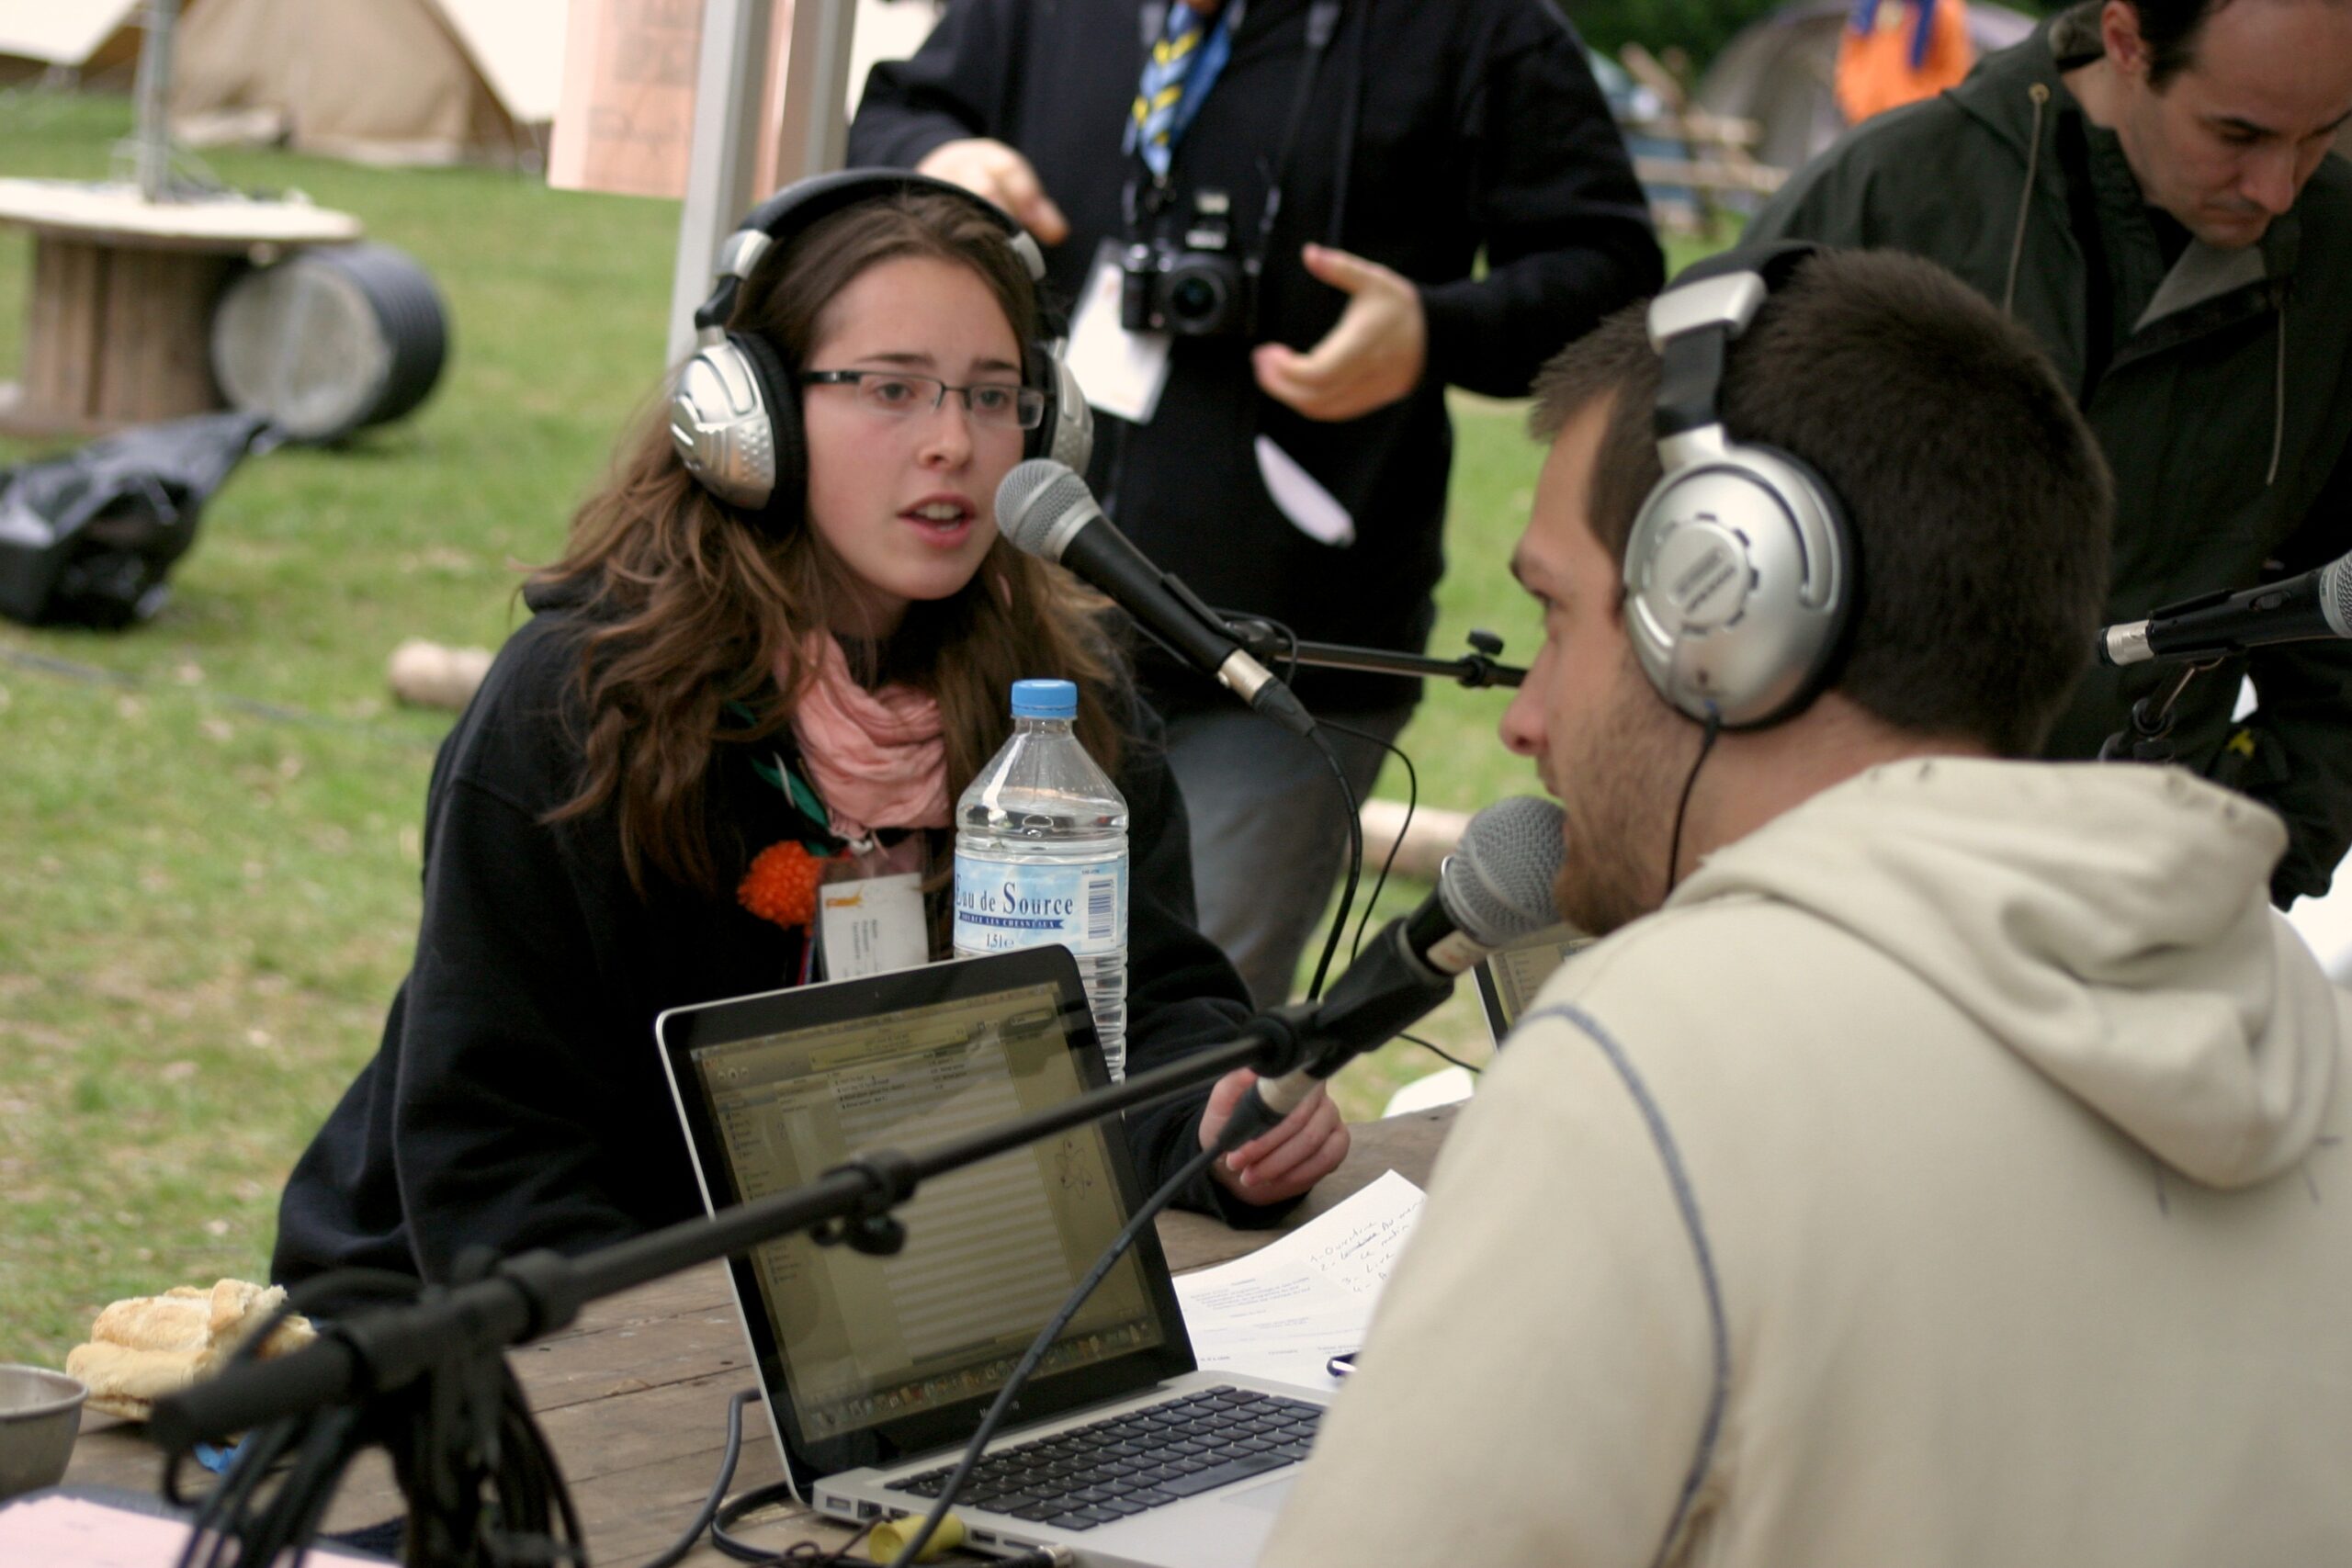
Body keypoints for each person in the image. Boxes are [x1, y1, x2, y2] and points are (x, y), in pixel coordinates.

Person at [1260, 247, 2352, 1566]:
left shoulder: (1650, 1058)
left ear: (1729, 607)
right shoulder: (2276, 999)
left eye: (1554, 616)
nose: (1530, 716)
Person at [272, 175, 1348, 1301]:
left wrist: (1215, 1121)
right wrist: (740, 1341)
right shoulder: (582, 706)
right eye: (892, 389)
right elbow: (491, 1148)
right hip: (513, 1311)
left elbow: (1153, 1010)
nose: (954, 445)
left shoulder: (1064, 698)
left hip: (900, 1297)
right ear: (753, 419)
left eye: (993, 397)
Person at [848, 0, 1663, 1006]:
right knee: (963, 1009)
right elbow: (892, 118)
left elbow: (1612, 274)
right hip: (1005, 639)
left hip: (1286, 665)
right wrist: (943, 157)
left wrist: (1434, 331)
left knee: (1182, 1034)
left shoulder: (1478, 27)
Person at [1746, 0, 2352, 906]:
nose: (2276, 187)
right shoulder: (1890, 195)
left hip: (2135, 907)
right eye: (2237, 133)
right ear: (2125, 41)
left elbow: (2338, 607)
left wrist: (2265, 851)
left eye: (2322, 136)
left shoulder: (2334, 262)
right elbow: (1695, 534)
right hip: (1844, 879)